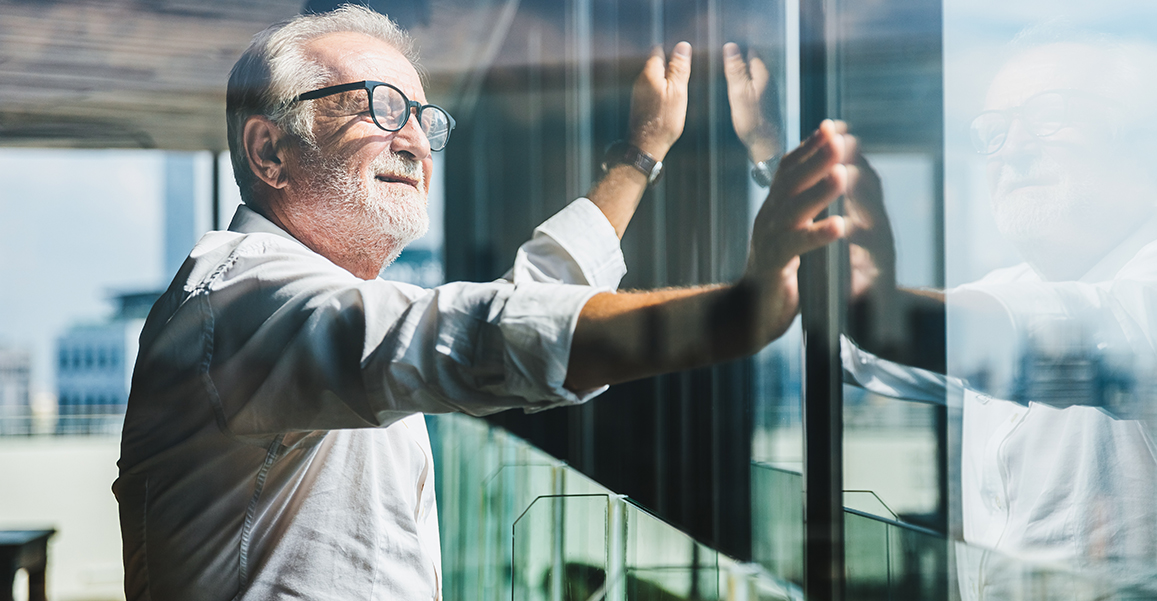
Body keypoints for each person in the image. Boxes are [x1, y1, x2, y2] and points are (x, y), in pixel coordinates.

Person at [113, 6, 849, 600]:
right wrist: (740, 309)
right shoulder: (240, 301)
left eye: (424, 118)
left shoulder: (320, 301)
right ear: (269, 150)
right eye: (379, 106)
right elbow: (479, 335)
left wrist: (639, 156)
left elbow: (521, 300)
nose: (414, 139)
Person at [723, 26, 1157, 596]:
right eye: (994, 131)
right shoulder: (1007, 289)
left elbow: (1044, 335)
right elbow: (863, 351)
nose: (1014, 148)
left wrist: (883, 302)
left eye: (1049, 115)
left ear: (1139, 141)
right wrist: (777, 159)